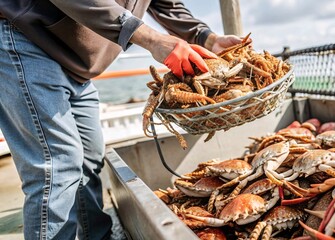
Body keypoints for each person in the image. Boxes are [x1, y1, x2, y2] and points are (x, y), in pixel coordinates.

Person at [0, 0, 243, 239]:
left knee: (89, 158)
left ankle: (98, 236)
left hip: (76, 65)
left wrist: (207, 38)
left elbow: (165, 4)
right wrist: (152, 38)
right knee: (58, 166)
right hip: (25, 41)